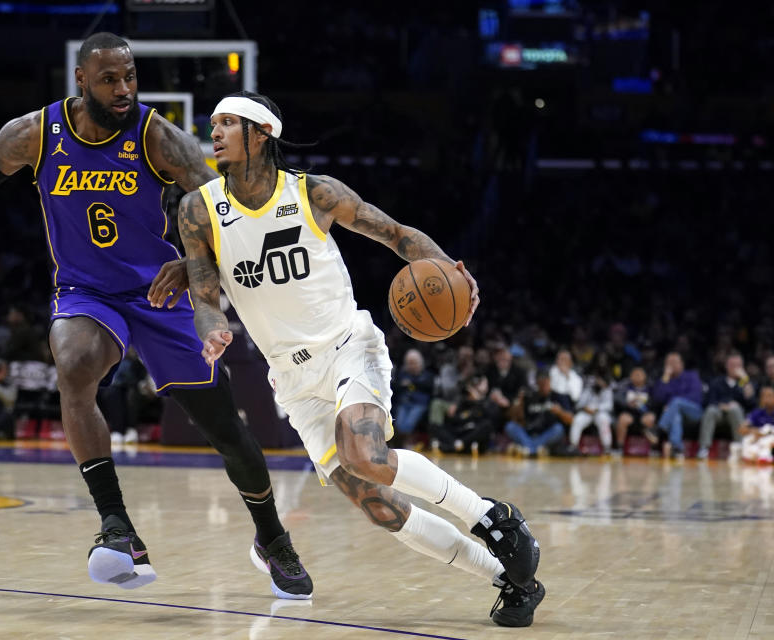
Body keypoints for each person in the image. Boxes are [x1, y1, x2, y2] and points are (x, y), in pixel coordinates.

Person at [0, 32, 312, 599]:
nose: (123, 90)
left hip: (159, 292)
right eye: (109, 80)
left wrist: (197, 264)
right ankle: (118, 527)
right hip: (87, 293)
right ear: (81, 81)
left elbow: (226, 211)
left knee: (226, 429)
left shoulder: (159, 137)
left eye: (129, 77)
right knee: (72, 363)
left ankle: (272, 538)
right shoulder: (34, 135)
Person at [178, 91, 544, 627]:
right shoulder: (198, 209)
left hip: (347, 344)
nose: (214, 132)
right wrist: (211, 332)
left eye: (228, 122)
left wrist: (453, 272)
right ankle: (507, 578)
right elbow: (205, 295)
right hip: (292, 379)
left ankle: (492, 517)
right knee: (378, 505)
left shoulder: (314, 192)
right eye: (213, 123)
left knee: (365, 452)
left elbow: (396, 235)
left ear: (262, 134)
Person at [697, 352, 754, 459]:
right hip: (719, 414)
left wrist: (745, 378)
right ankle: (704, 448)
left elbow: (751, 401)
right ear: (727, 366)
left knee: (735, 409)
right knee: (710, 410)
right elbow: (709, 401)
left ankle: (741, 448)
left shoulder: (744, 383)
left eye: (738, 366)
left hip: (738, 416)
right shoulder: (717, 382)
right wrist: (723, 406)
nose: (735, 368)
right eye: (733, 365)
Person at [505, 370, 572, 457]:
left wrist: (560, 412)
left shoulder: (557, 396)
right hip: (528, 434)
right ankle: (534, 450)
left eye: (545, 383)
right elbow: (516, 418)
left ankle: (527, 449)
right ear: (536, 383)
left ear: (550, 381)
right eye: (541, 384)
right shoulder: (529, 396)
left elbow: (571, 420)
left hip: (546, 435)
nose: (543, 387)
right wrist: (519, 403)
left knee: (558, 429)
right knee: (510, 426)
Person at [651, 352, 703, 459]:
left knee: (676, 402)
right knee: (675, 415)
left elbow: (696, 396)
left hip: (694, 412)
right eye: (669, 363)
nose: (671, 366)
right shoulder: (665, 379)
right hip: (674, 413)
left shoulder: (692, 376)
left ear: (681, 364)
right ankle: (677, 448)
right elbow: (658, 398)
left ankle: (659, 430)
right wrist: (665, 377)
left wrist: (672, 404)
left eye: (674, 363)